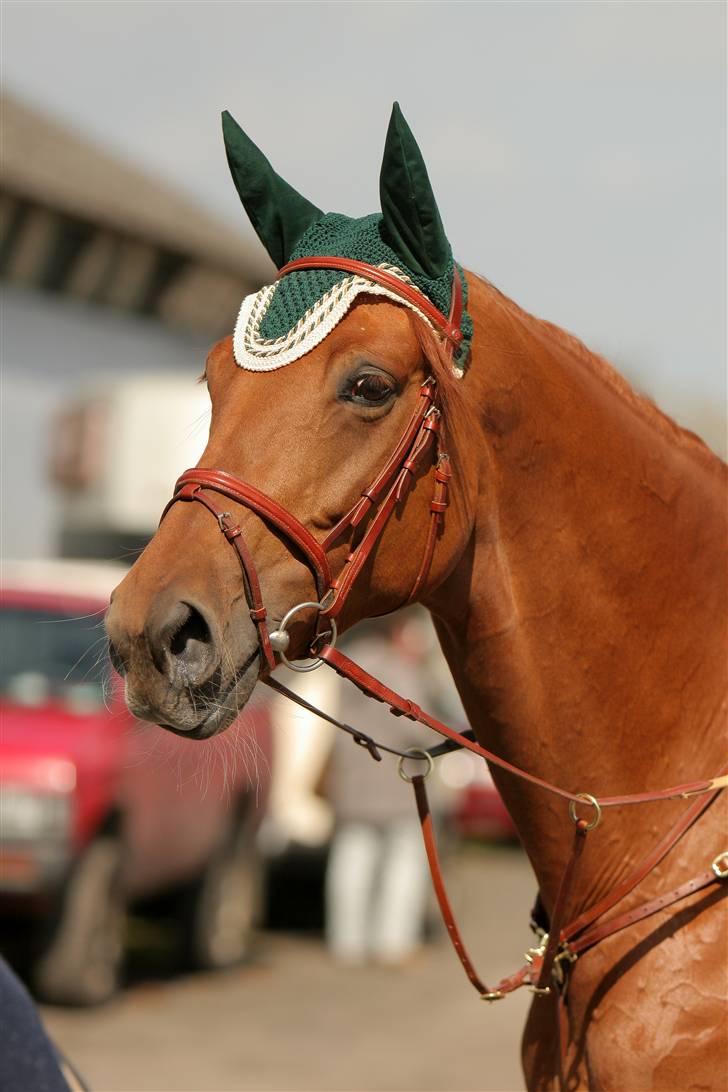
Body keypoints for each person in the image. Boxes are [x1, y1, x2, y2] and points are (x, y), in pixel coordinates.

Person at [324, 614, 441, 966]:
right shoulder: (401, 670)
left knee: (351, 862)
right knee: (403, 867)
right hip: (396, 785)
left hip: (355, 780)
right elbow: (422, 730)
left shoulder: (352, 662)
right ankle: (393, 943)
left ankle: (347, 942)